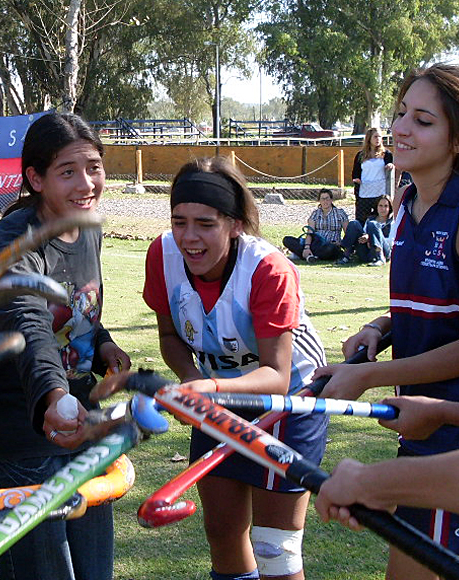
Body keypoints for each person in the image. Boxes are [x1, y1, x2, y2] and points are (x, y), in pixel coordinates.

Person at [311, 63, 459, 579]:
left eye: (422, 120)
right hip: (426, 428)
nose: (400, 129)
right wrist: (380, 329)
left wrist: (369, 376)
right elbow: (426, 310)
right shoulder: (410, 202)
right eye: (399, 114)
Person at [141, 157, 329, 580]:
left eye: (206, 224)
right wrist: (192, 382)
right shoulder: (162, 255)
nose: (190, 238)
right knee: (223, 532)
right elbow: (171, 338)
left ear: (236, 224)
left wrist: (205, 387)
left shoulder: (268, 270)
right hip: (215, 391)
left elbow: (276, 375)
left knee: (273, 548)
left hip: (289, 399)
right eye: (179, 221)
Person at [0, 112, 131, 580]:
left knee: (94, 569)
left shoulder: (86, 226)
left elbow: (75, 312)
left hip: (80, 422)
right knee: (42, 572)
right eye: (68, 171)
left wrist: (103, 344)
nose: (87, 182)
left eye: (94, 166)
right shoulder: (15, 241)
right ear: (35, 178)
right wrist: (54, 396)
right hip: (18, 432)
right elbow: (27, 325)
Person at [282, 189, 348, 261]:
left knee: (330, 248)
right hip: (315, 243)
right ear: (319, 201)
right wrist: (307, 247)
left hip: (330, 244)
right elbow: (310, 232)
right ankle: (309, 254)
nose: (325, 201)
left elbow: (347, 233)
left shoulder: (340, 213)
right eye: (322, 199)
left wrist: (341, 244)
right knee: (287, 240)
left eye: (327, 199)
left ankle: (305, 255)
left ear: (331, 200)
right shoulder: (315, 214)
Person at [336, 195, 393, 266]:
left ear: (390, 208)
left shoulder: (393, 222)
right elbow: (365, 233)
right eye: (380, 206)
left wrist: (372, 239)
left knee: (373, 224)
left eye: (386, 206)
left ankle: (380, 258)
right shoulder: (370, 219)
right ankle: (346, 255)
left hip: (385, 252)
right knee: (354, 223)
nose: (383, 209)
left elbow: (392, 242)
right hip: (367, 252)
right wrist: (364, 238)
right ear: (377, 207)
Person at [352, 127, 394, 223]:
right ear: (369, 138)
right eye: (375, 137)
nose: (378, 139)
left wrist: (390, 165)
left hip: (380, 191)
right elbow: (355, 172)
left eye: (379, 136)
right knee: (362, 219)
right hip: (365, 191)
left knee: (379, 218)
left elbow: (390, 164)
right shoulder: (361, 155)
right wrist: (356, 179)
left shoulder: (386, 154)